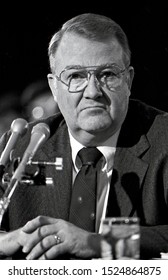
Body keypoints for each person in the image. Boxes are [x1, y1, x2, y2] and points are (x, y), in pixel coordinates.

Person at [0, 12, 168, 260]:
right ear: (54, 87)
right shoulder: (22, 147)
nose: (92, 91)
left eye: (108, 74)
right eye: (75, 76)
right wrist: (9, 239)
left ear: (129, 80)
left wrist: (98, 242)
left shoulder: (163, 139)